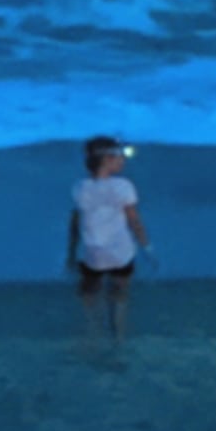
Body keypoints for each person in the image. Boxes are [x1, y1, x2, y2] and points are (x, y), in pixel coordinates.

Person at [68, 136, 147, 345]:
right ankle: (118, 335)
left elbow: (76, 223)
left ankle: (92, 332)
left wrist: (71, 252)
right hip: (121, 252)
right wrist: (147, 245)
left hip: (92, 254)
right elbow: (134, 219)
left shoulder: (80, 187)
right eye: (120, 157)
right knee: (119, 295)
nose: (123, 161)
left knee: (89, 293)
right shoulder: (123, 186)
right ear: (108, 160)